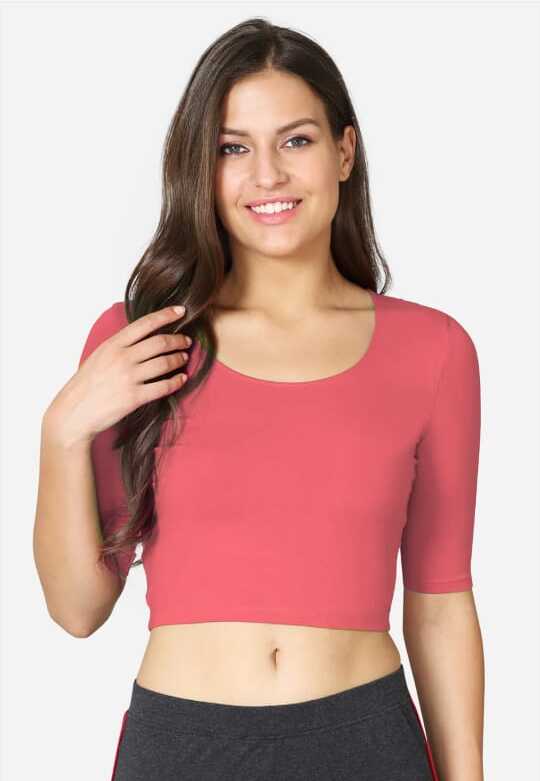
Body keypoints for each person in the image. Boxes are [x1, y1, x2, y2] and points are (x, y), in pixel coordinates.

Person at [33, 17, 484, 781]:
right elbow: (78, 609)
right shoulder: (139, 340)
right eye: (232, 148)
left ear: (344, 151)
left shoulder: (433, 349)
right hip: (181, 746)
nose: (267, 174)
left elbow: (441, 605)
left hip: (365, 743)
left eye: (296, 140)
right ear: (201, 168)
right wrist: (62, 429)